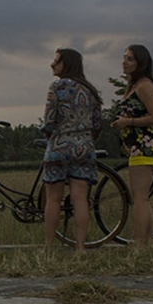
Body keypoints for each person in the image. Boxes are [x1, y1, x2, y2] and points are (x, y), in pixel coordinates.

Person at [41, 48, 104, 252]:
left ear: (66, 64)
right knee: (80, 198)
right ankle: (80, 249)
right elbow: (97, 124)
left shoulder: (57, 87)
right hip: (84, 147)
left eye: (56, 61)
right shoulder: (90, 91)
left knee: (53, 199)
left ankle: (49, 247)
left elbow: (49, 121)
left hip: (59, 145)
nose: (52, 64)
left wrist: (51, 136)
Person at [110, 44, 153, 247]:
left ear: (140, 62)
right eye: (124, 58)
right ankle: (149, 242)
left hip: (144, 145)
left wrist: (128, 123)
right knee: (143, 197)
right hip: (136, 147)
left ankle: (140, 243)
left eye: (130, 58)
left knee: (139, 198)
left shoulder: (144, 85)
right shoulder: (134, 85)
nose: (124, 62)